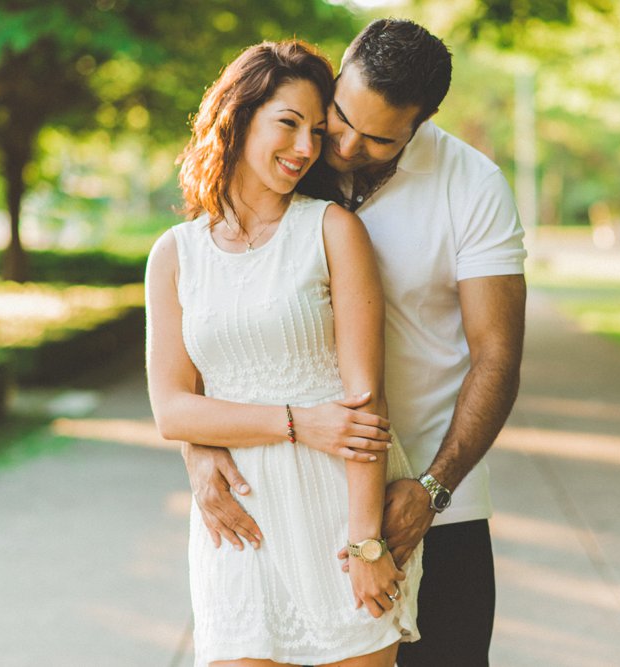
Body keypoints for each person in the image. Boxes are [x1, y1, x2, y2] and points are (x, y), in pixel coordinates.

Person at [184, 19, 528, 666]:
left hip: (428, 502)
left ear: (421, 121)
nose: (341, 143)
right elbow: (214, 311)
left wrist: (432, 488)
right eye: (339, 117)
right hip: (296, 498)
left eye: (377, 138)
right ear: (338, 72)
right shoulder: (291, 157)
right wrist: (198, 453)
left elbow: (496, 357)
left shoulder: (473, 186)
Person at [145, 39, 422, 667]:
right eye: (287, 123)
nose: (304, 148)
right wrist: (297, 422)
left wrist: (367, 545)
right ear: (238, 118)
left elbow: (366, 401)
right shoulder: (175, 254)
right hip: (237, 520)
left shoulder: (331, 230)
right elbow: (172, 410)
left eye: (316, 132)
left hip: (338, 512)